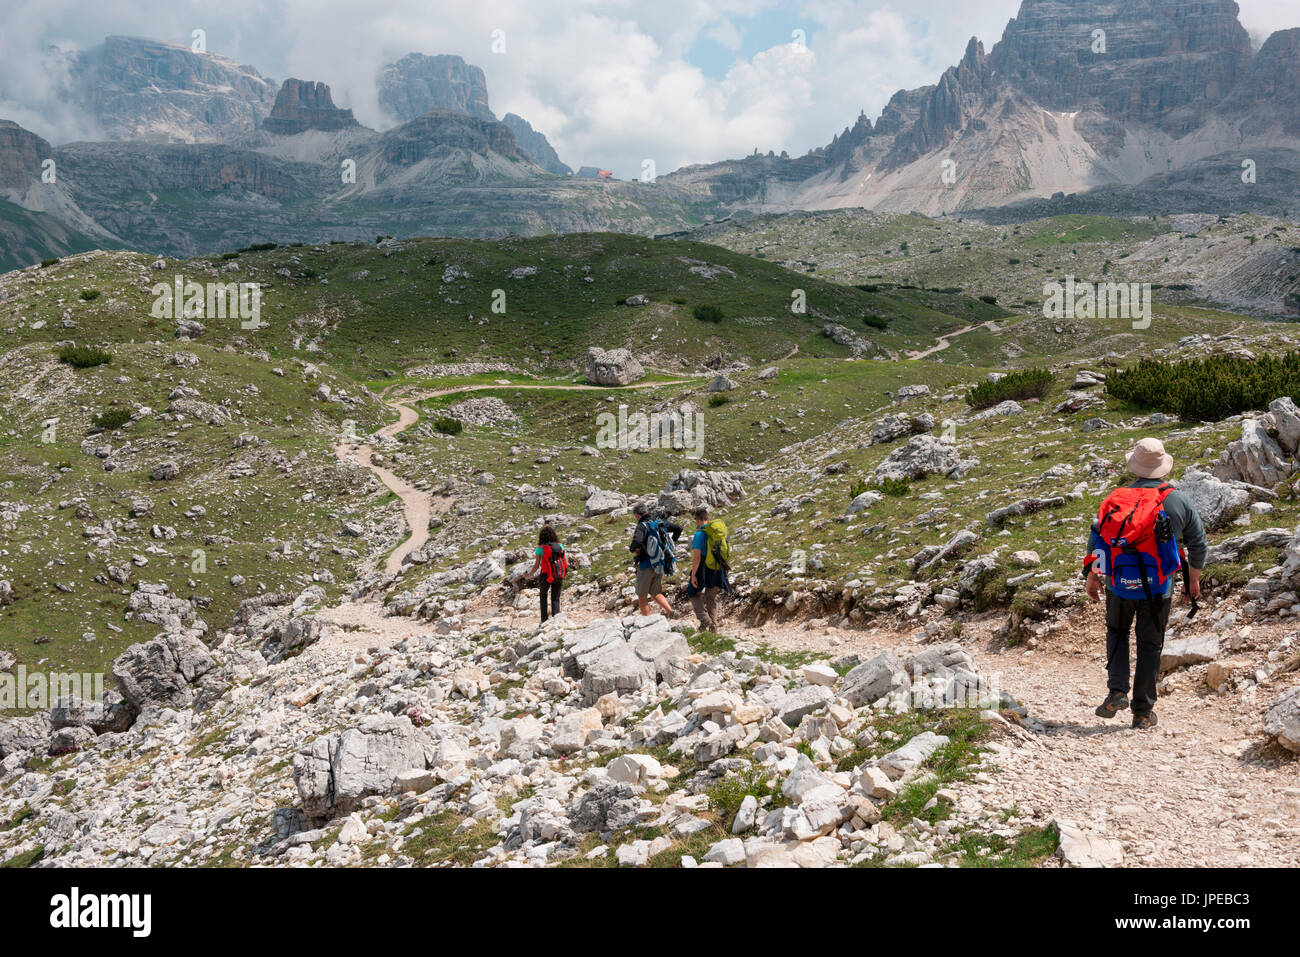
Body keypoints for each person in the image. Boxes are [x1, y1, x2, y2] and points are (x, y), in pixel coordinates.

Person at [1083, 438, 1206, 729]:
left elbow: (1097, 538)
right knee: (1150, 644)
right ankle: (1142, 712)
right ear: (1162, 466)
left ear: (1135, 466)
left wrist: (1092, 575)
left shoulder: (1116, 498)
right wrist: (1193, 579)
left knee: (1117, 632)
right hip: (1159, 585)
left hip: (1118, 583)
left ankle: (1116, 691)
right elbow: (1197, 543)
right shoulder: (1177, 499)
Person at [630, 503, 682, 617]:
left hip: (645, 566)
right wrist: (672, 543)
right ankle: (670, 611)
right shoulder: (659, 522)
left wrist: (633, 549)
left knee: (642, 597)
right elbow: (678, 528)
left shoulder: (641, 526)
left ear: (638, 515)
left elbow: (637, 542)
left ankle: (647, 621)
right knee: (655, 592)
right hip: (659, 564)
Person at [685, 506, 731, 632]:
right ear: (707, 518)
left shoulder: (699, 534)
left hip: (704, 568)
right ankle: (713, 627)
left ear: (697, 520)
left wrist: (693, 575)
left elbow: (697, 557)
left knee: (692, 592)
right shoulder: (717, 532)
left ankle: (706, 620)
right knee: (711, 597)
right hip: (718, 567)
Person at [525, 524, 567, 623]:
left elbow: (536, 565)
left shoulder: (540, 548)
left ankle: (544, 621)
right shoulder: (560, 546)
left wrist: (529, 575)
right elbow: (564, 560)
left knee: (543, 596)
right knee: (555, 598)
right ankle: (556, 620)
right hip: (559, 574)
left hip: (545, 575)